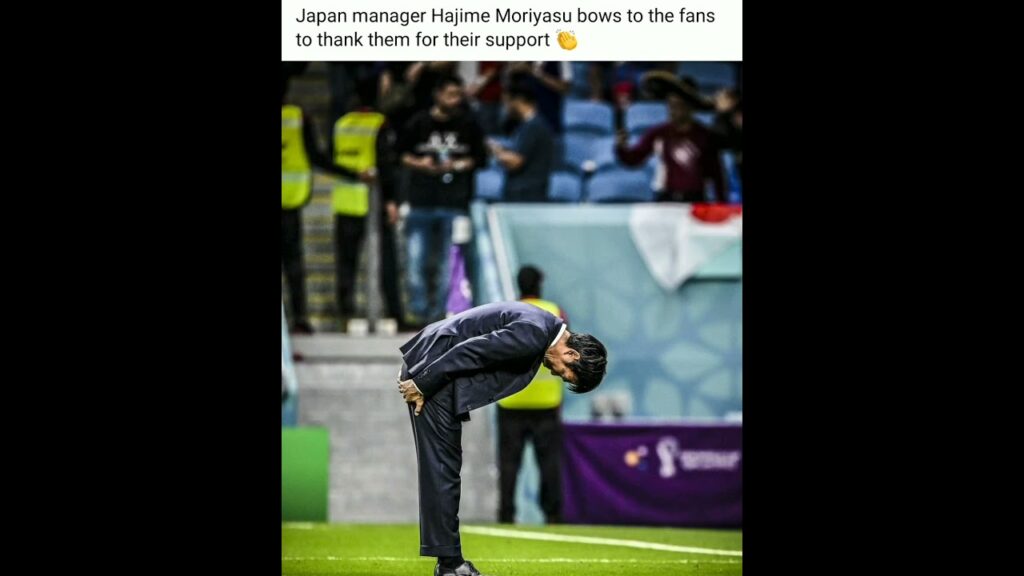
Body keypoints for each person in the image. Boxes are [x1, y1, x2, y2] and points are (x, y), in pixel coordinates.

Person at [396, 301, 608, 576]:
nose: (558, 375)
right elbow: (470, 351)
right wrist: (422, 382)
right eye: (568, 375)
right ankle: (449, 565)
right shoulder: (534, 334)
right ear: (572, 354)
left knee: (444, 469)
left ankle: (448, 562)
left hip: (433, 369)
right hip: (433, 375)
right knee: (442, 470)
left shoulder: (542, 326)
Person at [397, 75, 486, 326]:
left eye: (458, 95)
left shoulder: (468, 124)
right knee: (416, 261)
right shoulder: (418, 123)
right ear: (437, 94)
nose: (455, 100)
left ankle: (439, 314)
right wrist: (420, 163)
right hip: (421, 202)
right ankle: (419, 313)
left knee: (449, 265)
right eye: (450, 95)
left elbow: (480, 159)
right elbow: (400, 155)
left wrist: (456, 165)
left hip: (455, 203)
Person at [497, 266, 570, 524]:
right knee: (549, 464)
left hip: (511, 401)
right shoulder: (555, 312)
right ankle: (553, 515)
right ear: (539, 285)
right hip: (546, 402)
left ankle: (506, 515)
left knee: (509, 465)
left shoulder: (506, 312)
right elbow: (567, 352)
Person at [615, 71, 726, 203]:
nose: (673, 111)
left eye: (679, 105)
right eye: (671, 105)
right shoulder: (659, 133)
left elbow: (717, 174)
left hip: (696, 199)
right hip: (667, 199)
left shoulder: (705, 135)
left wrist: (722, 204)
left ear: (690, 107)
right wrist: (621, 148)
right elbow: (634, 159)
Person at [488, 87, 555, 203]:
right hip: (524, 192)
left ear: (518, 101)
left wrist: (494, 150)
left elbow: (515, 161)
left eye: (507, 102)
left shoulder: (533, 127)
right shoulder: (528, 126)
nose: (505, 108)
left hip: (526, 195)